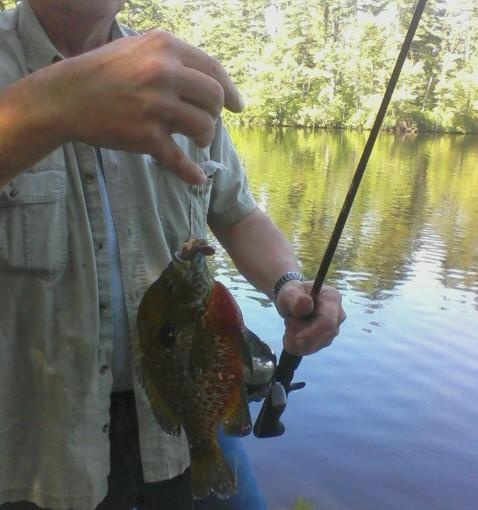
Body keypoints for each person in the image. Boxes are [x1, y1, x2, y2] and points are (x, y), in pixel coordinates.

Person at [0, 1, 346, 510]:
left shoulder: (174, 74)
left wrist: (287, 283)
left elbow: (236, 213)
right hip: (39, 439)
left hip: (190, 410)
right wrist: (50, 106)